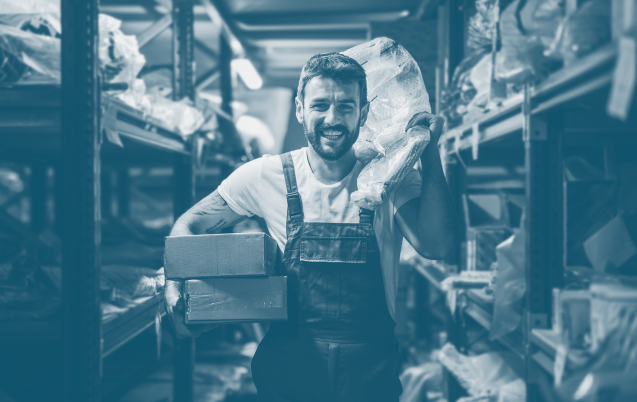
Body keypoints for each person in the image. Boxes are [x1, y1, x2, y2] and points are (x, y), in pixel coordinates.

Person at [164, 52, 457, 401]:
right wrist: (175, 283)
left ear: (363, 113)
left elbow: (437, 246)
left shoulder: (387, 179)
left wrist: (429, 150)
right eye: (320, 105)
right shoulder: (265, 175)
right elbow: (190, 223)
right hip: (288, 370)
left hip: (370, 376)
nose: (332, 119)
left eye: (346, 107)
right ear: (300, 109)